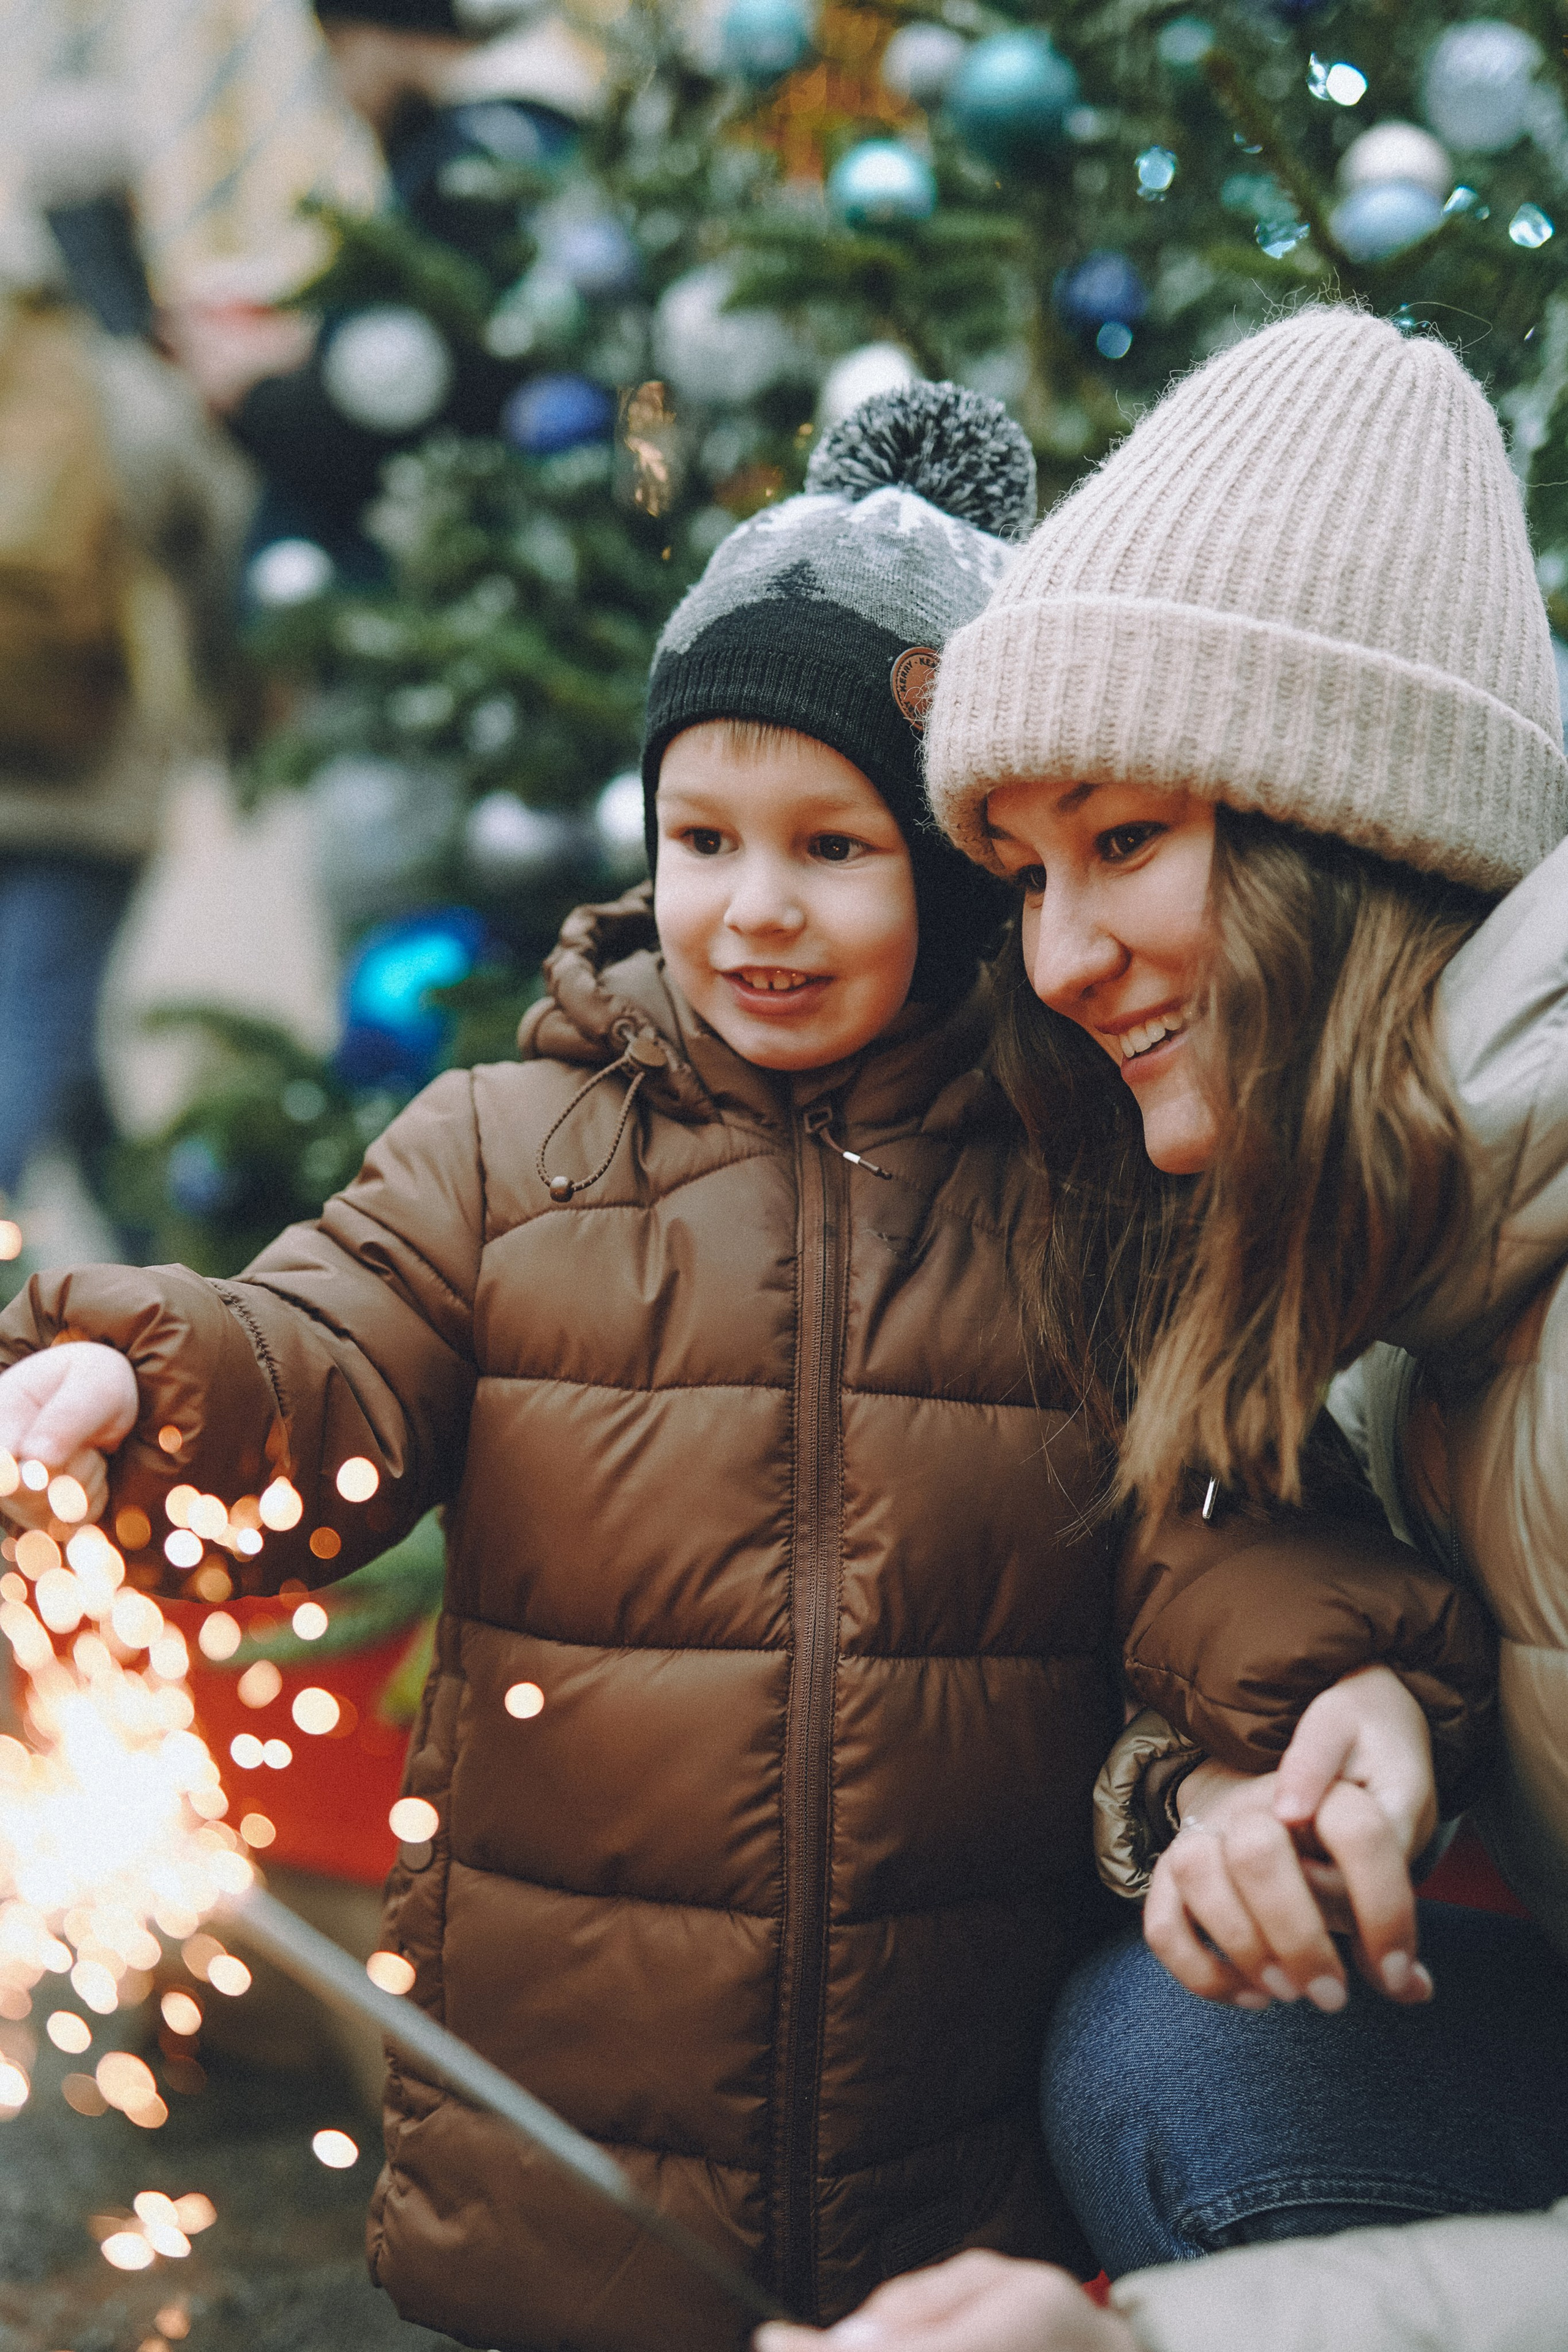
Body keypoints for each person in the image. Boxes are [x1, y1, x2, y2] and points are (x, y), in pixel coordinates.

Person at [0, 383, 1490, 2352]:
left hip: (932, 2145)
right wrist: (139, 1383)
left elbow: (1209, 1518)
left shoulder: (1078, 1193)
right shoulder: (501, 1147)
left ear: (957, 879)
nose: (751, 904)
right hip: (565, 2152)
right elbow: (320, 1357)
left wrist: (1321, 1685)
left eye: (832, 846)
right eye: (700, 836)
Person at [788, 308, 1568, 2348]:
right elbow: (1303, 1601)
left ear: (1358, 834)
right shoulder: (1404, 1234)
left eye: (1125, 842)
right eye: (1028, 872)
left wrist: (1149, 2347)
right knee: (1175, 2050)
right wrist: (1305, 1778)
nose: (1058, 957)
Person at [0, 148, 251, 1240]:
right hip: (99, 767)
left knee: (47, 1037)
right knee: (38, 1039)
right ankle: (136, 1268)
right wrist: (231, 698)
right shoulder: (113, 379)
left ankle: (157, 1270)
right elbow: (218, 525)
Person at [170, 0, 605, 590]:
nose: (338, 91)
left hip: (483, 593)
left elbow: (416, 387)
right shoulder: (527, 142)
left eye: (337, 53)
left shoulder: (464, 165)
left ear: (377, 39)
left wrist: (255, 394)